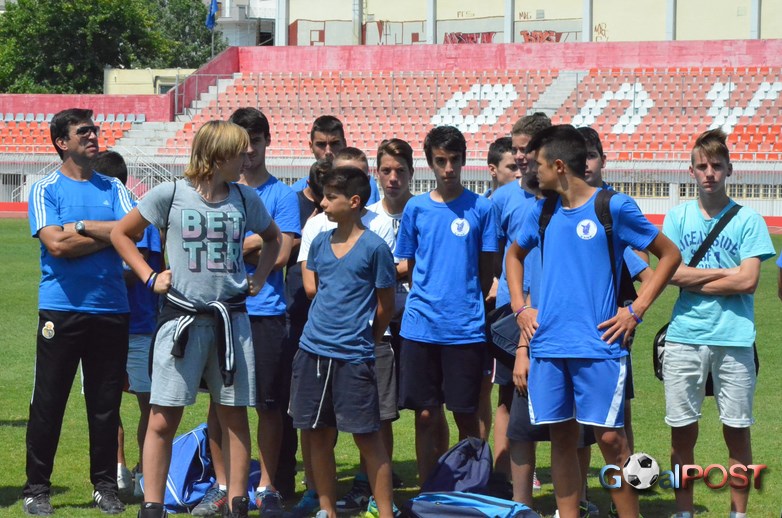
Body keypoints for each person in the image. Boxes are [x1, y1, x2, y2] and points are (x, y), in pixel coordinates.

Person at [506, 125, 681, 518]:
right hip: (550, 347)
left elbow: (670, 255)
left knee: (612, 441)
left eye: (537, 164)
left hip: (598, 347)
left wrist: (635, 310)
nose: (530, 171)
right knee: (561, 438)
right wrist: (520, 307)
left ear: (559, 166)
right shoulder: (542, 211)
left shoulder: (612, 207)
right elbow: (513, 255)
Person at [111, 120, 282, 518]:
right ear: (218, 156)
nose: (247, 159)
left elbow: (274, 238)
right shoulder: (170, 193)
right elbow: (122, 233)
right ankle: (152, 505)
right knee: (162, 417)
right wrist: (150, 276)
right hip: (181, 322)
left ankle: (237, 503)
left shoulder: (244, 198)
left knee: (234, 416)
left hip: (231, 324)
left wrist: (258, 278)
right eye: (239, 153)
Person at [24, 108, 134, 516]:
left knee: (105, 405)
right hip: (62, 309)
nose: (93, 136)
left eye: (94, 130)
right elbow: (56, 245)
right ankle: (37, 489)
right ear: (61, 142)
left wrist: (82, 227)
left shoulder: (113, 186)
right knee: (48, 403)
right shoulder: (44, 188)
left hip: (111, 308)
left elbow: (137, 229)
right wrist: (112, 232)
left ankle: (105, 487)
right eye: (83, 131)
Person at [193, 108, 301, 517]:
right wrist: (253, 242)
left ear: (267, 141)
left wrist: (237, 245)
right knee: (219, 404)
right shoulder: (214, 193)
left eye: (255, 141)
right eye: (243, 143)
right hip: (219, 312)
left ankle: (267, 486)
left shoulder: (282, 195)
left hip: (265, 311)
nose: (249, 150)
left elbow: (282, 253)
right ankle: (222, 486)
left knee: (269, 404)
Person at [661, 129, 774, 518]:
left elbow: (749, 281)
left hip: (735, 337)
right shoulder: (677, 218)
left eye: (716, 166)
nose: (709, 173)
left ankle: (737, 514)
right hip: (684, 337)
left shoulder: (749, 220)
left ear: (730, 170)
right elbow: (671, 274)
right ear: (691, 171)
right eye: (702, 166)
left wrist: (695, 278)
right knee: (681, 434)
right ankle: (684, 512)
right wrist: (728, 274)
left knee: (737, 431)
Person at [291, 165, 397, 518]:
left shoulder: (375, 248)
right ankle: (327, 509)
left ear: (353, 202)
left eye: (330, 197)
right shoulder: (320, 242)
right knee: (318, 435)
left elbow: (385, 305)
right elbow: (319, 292)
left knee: (368, 438)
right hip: (312, 353)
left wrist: (369, 338)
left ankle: (385, 512)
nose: (322, 203)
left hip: (354, 358)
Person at [395, 125, 499, 483]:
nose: (449, 168)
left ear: (464, 160)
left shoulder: (482, 208)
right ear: (430, 163)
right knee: (425, 415)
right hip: (420, 328)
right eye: (441, 161)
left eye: (455, 159)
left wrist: (462, 301)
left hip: (464, 329)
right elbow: (409, 266)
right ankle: (429, 492)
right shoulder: (416, 208)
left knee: (466, 415)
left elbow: (485, 271)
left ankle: (471, 490)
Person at [93, 150, 161, 500]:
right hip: (103, 322)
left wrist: (92, 269)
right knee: (106, 401)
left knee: (149, 403)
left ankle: (145, 470)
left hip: (139, 325)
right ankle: (119, 469)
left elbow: (138, 270)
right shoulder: (100, 215)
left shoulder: (139, 215)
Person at [291, 115, 380, 204]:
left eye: (334, 144)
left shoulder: (365, 184)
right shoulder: (296, 191)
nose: (328, 151)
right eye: (321, 144)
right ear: (311, 147)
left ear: (344, 144)